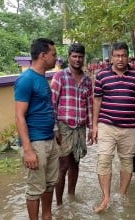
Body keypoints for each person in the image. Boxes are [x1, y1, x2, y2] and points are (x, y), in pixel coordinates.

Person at [92, 42, 135, 213]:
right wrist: (94, 125)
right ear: (111, 57)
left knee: (126, 161)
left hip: (130, 126)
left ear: (128, 56)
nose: (120, 59)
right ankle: (106, 198)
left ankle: (123, 194)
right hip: (106, 124)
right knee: (104, 159)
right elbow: (97, 101)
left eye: (123, 55)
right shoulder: (101, 76)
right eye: (117, 55)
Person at [14, 38, 59, 220]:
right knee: (34, 189)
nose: (56, 58)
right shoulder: (26, 80)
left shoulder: (42, 78)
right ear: (43, 55)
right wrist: (28, 150)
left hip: (49, 139)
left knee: (49, 184)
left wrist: (56, 133)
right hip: (35, 142)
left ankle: (47, 216)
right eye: (53, 54)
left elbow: (46, 109)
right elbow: (19, 116)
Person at [51, 43, 93, 205]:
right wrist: (55, 129)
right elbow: (52, 103)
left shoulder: (87, 81)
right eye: (74, 56)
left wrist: (91, 128)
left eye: (80, 56)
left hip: (80, 127)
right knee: (62, 165)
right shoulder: (59, 76)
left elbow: (89, 105)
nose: (77, 59)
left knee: (76, 162)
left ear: (84, 58)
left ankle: (71, 196)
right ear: (69, 57)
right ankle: (60, 203)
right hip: (63, 127)